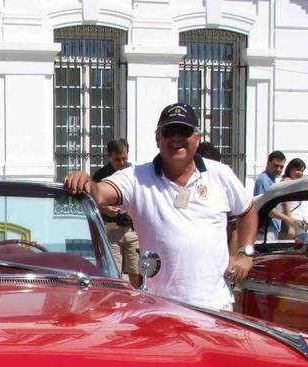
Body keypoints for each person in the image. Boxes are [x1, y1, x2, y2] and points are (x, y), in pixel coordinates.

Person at [63, 103, 257, 311]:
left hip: (215, 306)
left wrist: (245, 253)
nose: (176, 138)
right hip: (159, 308)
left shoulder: (220, 174)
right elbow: (100, 193)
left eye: (184, 131)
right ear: (158, 139)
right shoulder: (137, 178)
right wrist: (84, 181)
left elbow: (247, 209)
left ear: (197, 138)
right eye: (169, 132)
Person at [92, 138, 140, 287]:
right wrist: (106, 209)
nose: (121, 163)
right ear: (109, 156)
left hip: (132, 230)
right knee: (114, 273)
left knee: (136, 270)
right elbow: (91, 203)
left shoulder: (136, 174)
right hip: (111, 231)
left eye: (124, 159)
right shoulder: (100, 176)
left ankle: (137, 299)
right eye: (117, 159)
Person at [254, 150, 286, 240]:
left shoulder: (271, 181)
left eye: (281, 167)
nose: (279, 169)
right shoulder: (264, 180)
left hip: (271, 228)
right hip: (266, 230)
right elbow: (266, 207)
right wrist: (288, 219)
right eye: (276, 165)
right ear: (268, 162)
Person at [279, 158, 308, 239]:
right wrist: (290, 226)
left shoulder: (294, 183)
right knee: (305, 242)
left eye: (302, 171)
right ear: (290, 169)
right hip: (292, 221)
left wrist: (304, 220)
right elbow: (285, 204)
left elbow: (296, 205)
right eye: (297, 170)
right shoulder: (286, 182)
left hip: (298, 220)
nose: (300, 173)